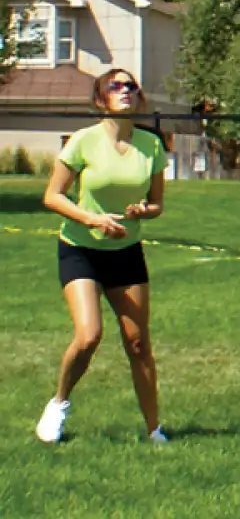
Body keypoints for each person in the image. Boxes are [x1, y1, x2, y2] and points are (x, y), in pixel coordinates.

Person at [35, 69, 169, 444]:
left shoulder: (151, 146)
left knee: (138, 342)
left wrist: (146, 211)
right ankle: (58, 404)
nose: (125, 91)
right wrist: (92, 218)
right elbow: (52, 196)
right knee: (89, 335)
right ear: (101, 99)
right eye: (116, 85)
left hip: (126, 252)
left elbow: (158, 204)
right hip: (81, 250)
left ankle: (154, 429)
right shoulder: (83, 142)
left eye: (131, 86)